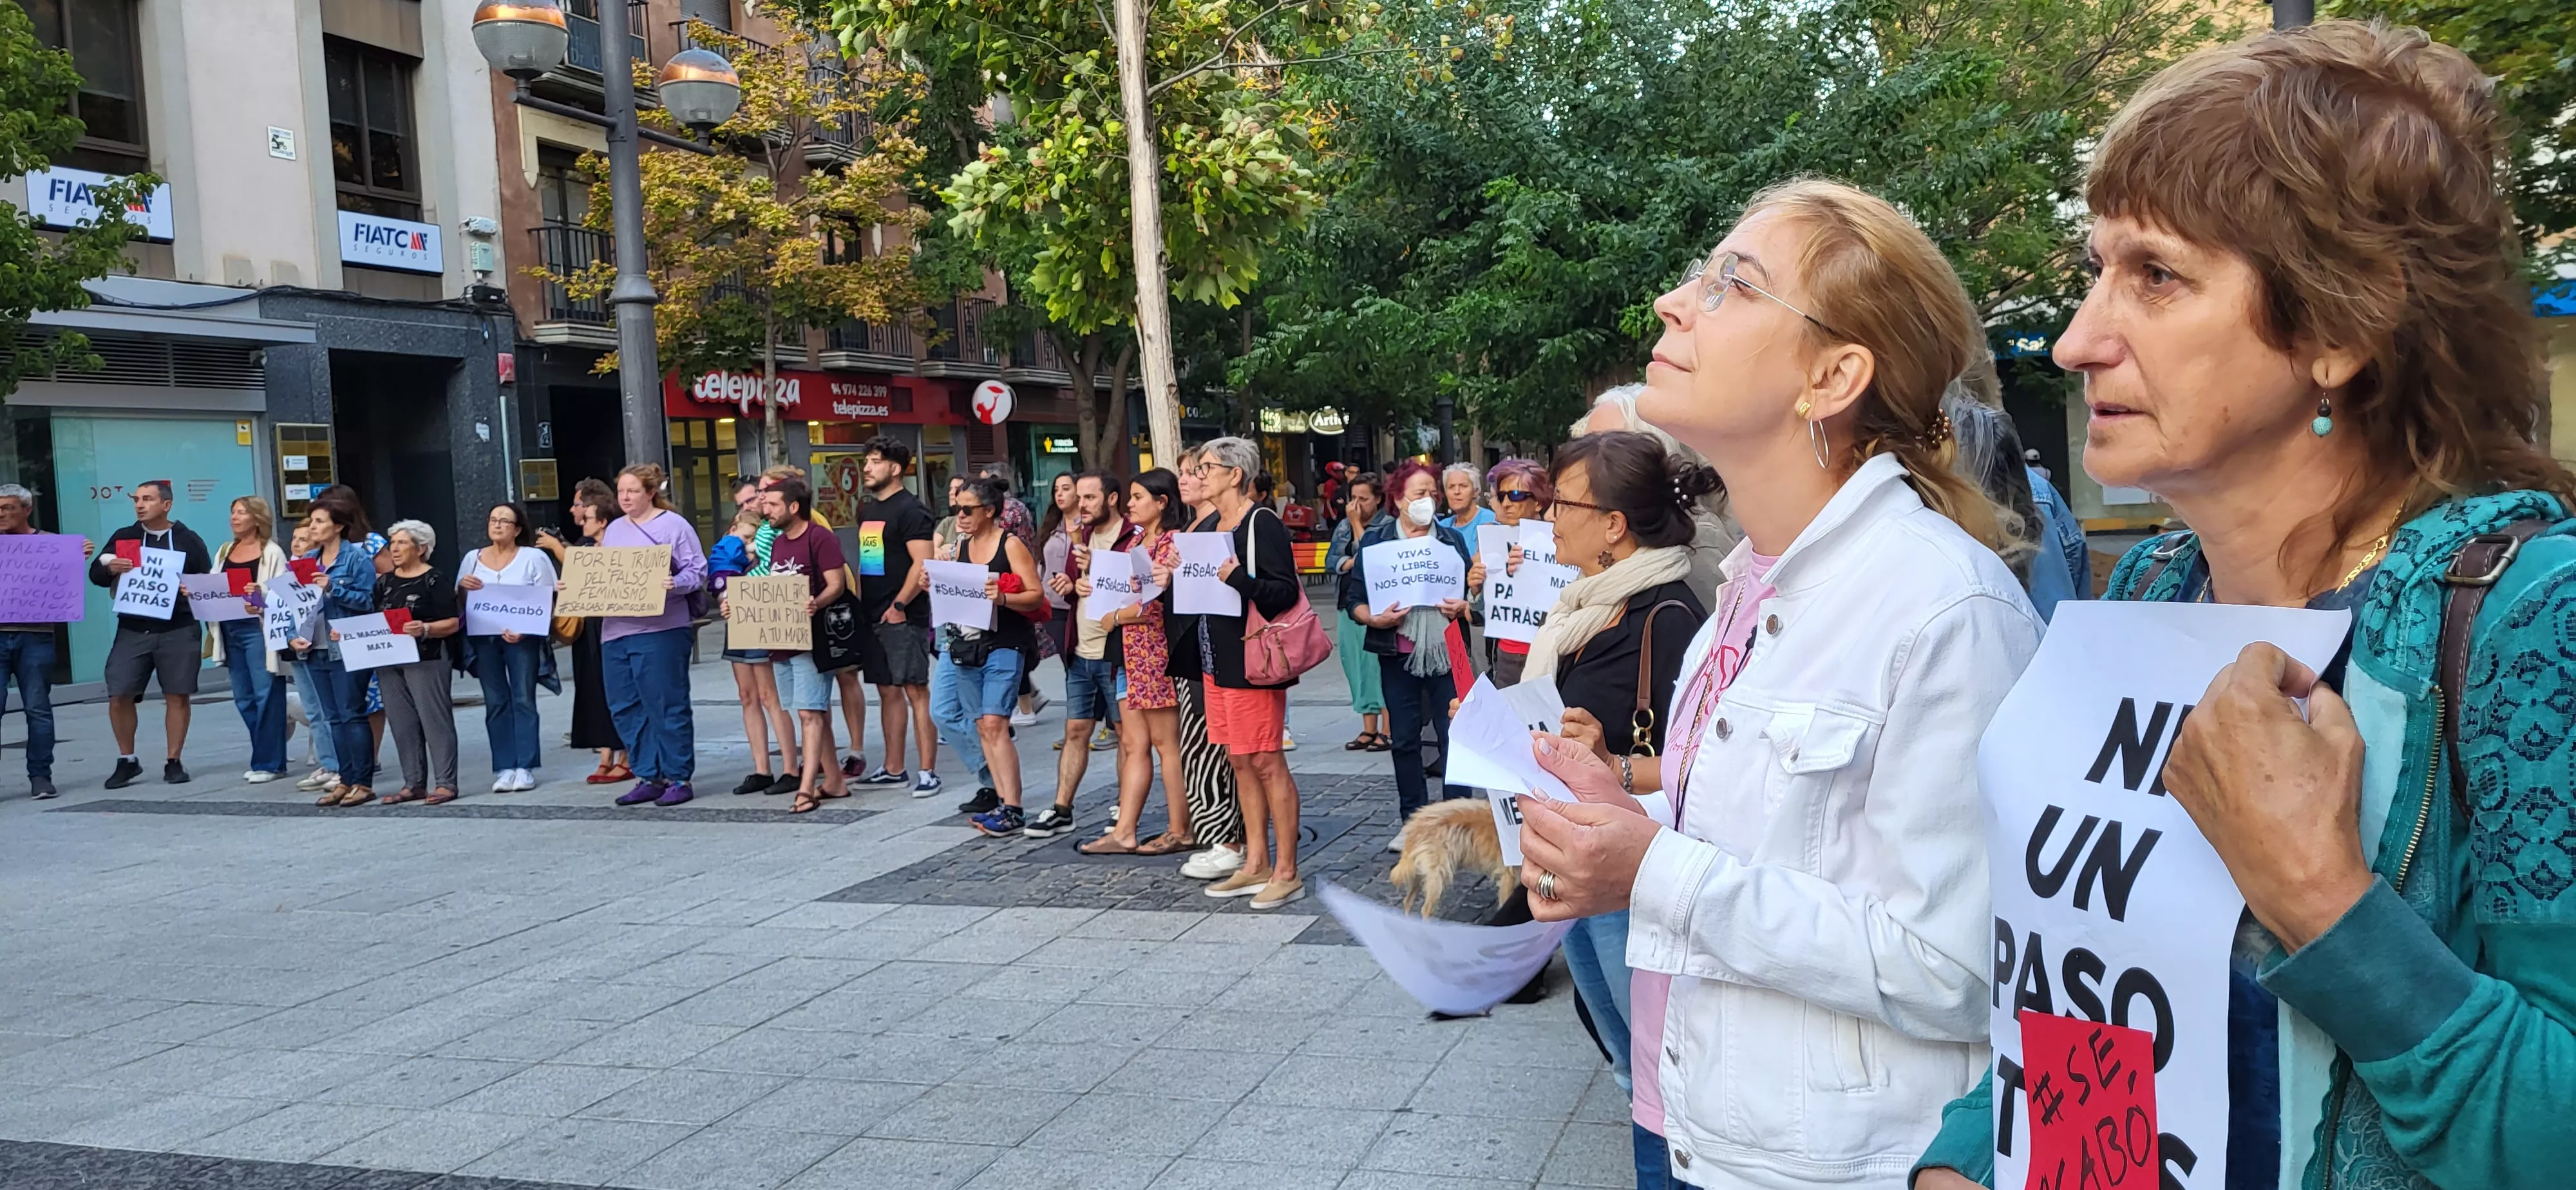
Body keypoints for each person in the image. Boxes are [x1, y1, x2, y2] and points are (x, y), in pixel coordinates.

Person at [1913, 23, 2576, 1190]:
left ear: (2341, 326)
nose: (2075, 342)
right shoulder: (2159, 585)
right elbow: (2088, 987)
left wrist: (2321, 898)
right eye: (2095, 271)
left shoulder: (2532, 616)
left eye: (2157, 276)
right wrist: (1968, 1154)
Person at [1511, 178, 2041, 1189]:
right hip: (1708, 1123)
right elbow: (1792, 837)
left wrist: (1652, 870)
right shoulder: (1750, 589)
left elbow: (1963, 968)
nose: (1674, 302)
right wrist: (1624, 806)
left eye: (1731, 285)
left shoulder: (1942, 607)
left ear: (1832, 375)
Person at [1517, 431, 1714, 1170]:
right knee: (1627, 1064)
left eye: (1562, 503)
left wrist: (1611, 766)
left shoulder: (1666, 616)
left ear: (1613, 525)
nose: (1549, 518)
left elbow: (1698, 766)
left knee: (1655, 1075)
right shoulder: (1582, 609)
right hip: (1579, 859)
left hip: (1632, 870)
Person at [1159, 436, 1307, 909]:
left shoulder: (1261, 523)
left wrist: (1235, 577)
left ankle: (1286, 870)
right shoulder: (1208, 527)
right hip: (1214, 659)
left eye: (1207, 467)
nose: (1200, 475)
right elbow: (1193, 598)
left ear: (1235, 474)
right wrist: (1176, 576)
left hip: (1252, 660)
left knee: (1266, 761)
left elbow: (1282, 593)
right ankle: (1255, 862)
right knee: (1239, 761)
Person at [1344, 462, 1473, 846]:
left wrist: (1462, 606)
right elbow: (1354, 600)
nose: (1429, 500)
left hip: (1450, 651)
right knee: (1404, 739)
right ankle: (1413, 821)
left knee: (1459, 737)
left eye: (1433, 493)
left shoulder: (1451, 541)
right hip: (1396, 652)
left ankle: (1458, 821)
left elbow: (1470, 594)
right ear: (1399, 500)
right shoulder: (1376, 542)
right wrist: (1375, 618)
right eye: (1420, 494)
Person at [1078, 469, 1193, 855]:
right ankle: (1125, 829)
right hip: (1132, 652)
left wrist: (1115, 617)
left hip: (1155, 651)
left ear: (1162, 502)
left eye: (1138, 497)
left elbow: (1154, 601)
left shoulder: (1173, 542)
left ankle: (1181, 827)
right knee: (1134, 741)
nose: (1130, 504)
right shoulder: (1141, 540)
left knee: (1165, 743)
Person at [88, 479, 213, 788]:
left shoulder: (188, 540)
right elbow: (96, 573)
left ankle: (174, 761)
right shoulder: (125, 536)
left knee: (177, 695)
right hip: (133, 628)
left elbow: (205, 580)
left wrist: (191, 589)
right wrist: (110, 569)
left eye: (147, 499)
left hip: (178, 628)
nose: (140, 505)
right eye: (137, 499)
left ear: (166, 505)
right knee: (119, 694)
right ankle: (127, 760)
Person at [598, 464, 707, 808]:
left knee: (666, 702)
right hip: (616, 630)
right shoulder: (614, 529)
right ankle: (648, 774)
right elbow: (603, 573)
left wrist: (675, 585)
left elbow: (697, 569)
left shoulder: (674, 526)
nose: (625, 497)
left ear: (650, 492)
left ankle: (678, 775)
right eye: (621, 492)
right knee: (625, 706)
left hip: (661, 628)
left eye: (632, 491)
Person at [942, 476, 1045, 835]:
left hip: (1006, 640)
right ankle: (1002, 802)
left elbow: (1035, 595)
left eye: (968, 509)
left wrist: (1001, 598)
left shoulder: (1010, 544)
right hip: (968, 643)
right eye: (957, 508)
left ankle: (1014, 808)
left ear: (989, 511)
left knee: (996, 721)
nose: (961, 516)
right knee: (982, 725)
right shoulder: (959, 547)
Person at [1577, 384, 1738, 605]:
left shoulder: (1695, 539)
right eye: (1585, 447)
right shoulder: (1618, 527)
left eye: (1606, 448)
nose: (1583, 463)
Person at [1165, 445, 1247, 880]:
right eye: (1184, 471)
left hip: (1216, 647)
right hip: (1192, 645)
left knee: (1217, 749)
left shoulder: (1224, 524)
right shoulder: (1194, 526)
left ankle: (1227, 837)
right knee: (1199, 745)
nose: (1188, 478)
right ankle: (1217, 832)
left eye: (1197, 470)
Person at [1037, 471, 1134, 837]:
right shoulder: (1083, 536)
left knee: (1125, 733)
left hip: (1115, 651)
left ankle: (1127, 804)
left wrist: (1092, 578)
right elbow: (1076, 586)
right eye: (1079, 498)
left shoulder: (1130, 537)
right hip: (1081, 648)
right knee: (1076, 728)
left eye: (1089, 498)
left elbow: (1137, 591)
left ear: (1111, 498)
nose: (1082, 506)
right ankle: (1062, 807)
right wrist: (1071, 585)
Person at [750, 475, 853, 815]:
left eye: (773, 505)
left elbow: (836, 584)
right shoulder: (778, 543)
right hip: (782, 641)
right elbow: (770, 585)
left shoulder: (820, 537)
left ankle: (807, 787)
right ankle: (835, 781)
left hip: (811, 640)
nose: (767, 511)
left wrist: (817, 602)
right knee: (811, 710)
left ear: (794, 507)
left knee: (810, 713)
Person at [852, 437, 940, 794]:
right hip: (872, 614)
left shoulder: (911, 510)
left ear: (896, 468)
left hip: (903, 615)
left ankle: (927, 771)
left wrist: (900, 606)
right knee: (887, 691)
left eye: (875, 461)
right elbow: (867, 562)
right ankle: (893, 767)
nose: (867, 468)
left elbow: (923, 563)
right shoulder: (868, 510)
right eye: (867, 461)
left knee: (915, 690)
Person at [459, 501, 560, 793]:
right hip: (485, 640)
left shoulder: (533, 557)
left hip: (521, 640)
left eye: (505, 521)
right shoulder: (472, 558)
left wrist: (527, 630)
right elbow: (462, 604)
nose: (498, 525)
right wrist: (464, 588)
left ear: (517, 529)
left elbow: (547, 600)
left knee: (523, 699)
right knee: (495, 702)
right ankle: (504, 766)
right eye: (493, 520)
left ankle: (525, 766)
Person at [292, 489, 383, 808]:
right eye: (312, 521)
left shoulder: (356, 558)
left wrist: (334, 588)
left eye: (320, 521)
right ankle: (345, 779)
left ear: (339, 526)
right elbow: (296, 604)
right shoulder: (306, 561)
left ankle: (363, 780)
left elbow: (369, 601)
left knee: (351, 713)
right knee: (332, 717)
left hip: (346, 645)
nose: (313, 527)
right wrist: (293, 635)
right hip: (314, 646)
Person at [366, 521, 462, 805]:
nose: (394, 549)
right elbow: (373, 620)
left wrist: (426, 629)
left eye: (402, 543)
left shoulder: (434, 580)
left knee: (434, 719)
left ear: (421, 548)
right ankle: (413, 782)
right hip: (389, 659)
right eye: (392, 543)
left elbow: (454, 622)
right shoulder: (384, 582)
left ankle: (446, 782)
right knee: (401, 721)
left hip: (427, 657)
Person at [710, 480, 794, 795]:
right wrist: (723, 595)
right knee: (747, 695)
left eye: (751, 499)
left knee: (770, 696)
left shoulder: (772, 534)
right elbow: (719, 575)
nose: (747, 505)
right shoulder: (734, 539)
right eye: (741, 503)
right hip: (739, 617)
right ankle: (762, 768)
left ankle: (790, 767)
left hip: (762, 615)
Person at [0, 486, 84, 799]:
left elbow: (67, 582)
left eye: (8, 508)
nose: (2, 514)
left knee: (37, 708)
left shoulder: (49, 544)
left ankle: (40, 776)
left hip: (36, 636)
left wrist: (79, 554)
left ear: (26, 509)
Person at [537, 493, 627, 784]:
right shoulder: (585, 545)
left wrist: (556, 548)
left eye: (587, 516)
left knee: (614, 687)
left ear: (602, 522)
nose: (581, 520)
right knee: (592, 688)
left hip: (611, 623)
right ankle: (605, 753)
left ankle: (624, 755)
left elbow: (591, 570)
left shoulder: (618, 546)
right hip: (587, 627)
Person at [207, 496, 289, 784]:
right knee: (244, 697)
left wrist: (261, 593)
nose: (234, 517)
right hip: (230, 629)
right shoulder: (225, 551)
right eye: (233, 512)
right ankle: (267, 754)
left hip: (259, 629)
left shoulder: (272, 552)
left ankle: (270, 761)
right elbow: (215, 584)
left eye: (241, 513)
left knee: (266, 693)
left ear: (257, 518)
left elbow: (284, 592)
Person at [1468, 458, 1556, 688]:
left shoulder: (1560, 541)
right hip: (1505, 655)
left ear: (1538, 502)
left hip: (1548, 655)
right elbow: (1479, 618)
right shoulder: (1491, 542)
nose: (1506, 503)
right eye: (1501, 496)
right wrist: (1476, 591)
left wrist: (1533, 569)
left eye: (1516, 495)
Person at [1325, 471, 1392, 750]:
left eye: (1363, 499)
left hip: (1378, 604)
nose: (1356, 505)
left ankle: (1388, 729)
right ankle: (1368, 727)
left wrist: (1355, 527)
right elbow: (1331, 560)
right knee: (1355, 666)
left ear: (1378, 499)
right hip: (1348, 602)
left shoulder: (1387, 525)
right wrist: (1348, 563)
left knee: (1377, 668)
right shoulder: (1343, 525)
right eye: (1352, 498)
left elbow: (1371, 558)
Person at [1018, 469, 1079, 733]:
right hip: (1054, 606)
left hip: (1080, 603)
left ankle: (1102, 722)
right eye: (1057, 490)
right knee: (1069, 667)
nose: (1060, 494)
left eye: (1066, 488)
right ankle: (1076, 723)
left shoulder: (1086, 526)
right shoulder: (1051, 526)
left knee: (1084, 667)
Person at [1439, 462, 1497, 554]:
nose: (1457, 492)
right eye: (1451, 487)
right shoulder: (1442, 526)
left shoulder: (1490, 520)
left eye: (1463, 486)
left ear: (1476, 491)